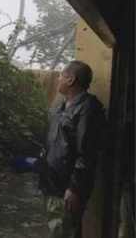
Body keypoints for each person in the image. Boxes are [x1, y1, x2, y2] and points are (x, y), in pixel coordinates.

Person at [39, 60, 105, 237]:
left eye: (61, 75)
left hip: (66, 188)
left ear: (71, 80)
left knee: (64, 231)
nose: (58, 78)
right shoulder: (62, 105)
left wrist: (75, 187)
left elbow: (87, 153)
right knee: (57, 229)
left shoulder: (88, 109)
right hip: (52, 184)